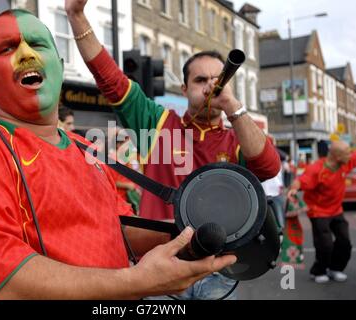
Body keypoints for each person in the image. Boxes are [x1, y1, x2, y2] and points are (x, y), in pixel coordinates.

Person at [0, 9, 236, 300]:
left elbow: (118, 228)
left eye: (37, 44)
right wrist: (140, 281)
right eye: (7, 48)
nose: (26, 54)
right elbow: (0, 283)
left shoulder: (85, 147)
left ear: (59, 64)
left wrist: (189, 234)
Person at [66, 0, 280, 300]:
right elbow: (111, 80)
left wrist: (232, 107)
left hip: (216, 272)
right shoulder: (159, 123)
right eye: (200, 80)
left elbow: (269, 167)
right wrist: (76, 16)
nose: (209, 87)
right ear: (184, 89)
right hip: (159, 269)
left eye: (217, 81)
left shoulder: (237, 138)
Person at [287, 140, 353, 284]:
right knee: (325, 244)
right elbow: (301, 180)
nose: (351, 155)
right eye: (348, 153)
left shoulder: (345, 162)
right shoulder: (316, 169)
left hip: (337, 210)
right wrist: (293, 188)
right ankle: (319, 271)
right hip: (318, 212)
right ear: (337, 156)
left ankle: (335, 269)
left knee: (344, 242)